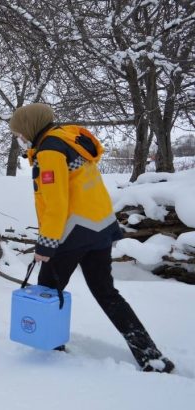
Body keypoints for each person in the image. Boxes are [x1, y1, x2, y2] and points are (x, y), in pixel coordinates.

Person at [9, 103, 175, 373]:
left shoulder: (50, 150)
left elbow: (56, 202)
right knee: (107, 293)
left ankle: (48, 348)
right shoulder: (69, 139)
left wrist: (46, 244)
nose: (19, 138)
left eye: (19, 132)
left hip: (73, 232)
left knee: (48, 291)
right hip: (100, 228)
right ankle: (151, 357)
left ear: (30, 126)